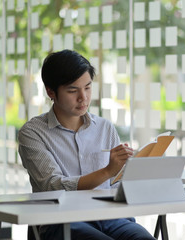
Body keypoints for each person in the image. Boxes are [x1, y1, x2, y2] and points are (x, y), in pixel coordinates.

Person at [18, 49, 156, 240]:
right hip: (61, 221)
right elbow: (53, 186)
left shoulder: (105, 128)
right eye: (73, 90)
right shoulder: (33, 133)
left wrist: (138, 172)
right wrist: (107, 171)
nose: (83, 97)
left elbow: (118, 185)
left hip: (109, 217)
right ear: (51, 91)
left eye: (88, 87)